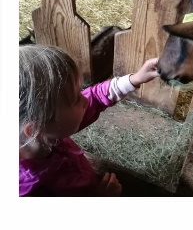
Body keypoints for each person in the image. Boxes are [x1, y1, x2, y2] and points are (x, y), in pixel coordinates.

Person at [19, 44, 159, 197]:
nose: (85, 100)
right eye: (75, 100)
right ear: (36, 128)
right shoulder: (31, 190)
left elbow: (95, 97)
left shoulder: (49, 131)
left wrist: (135, 78)